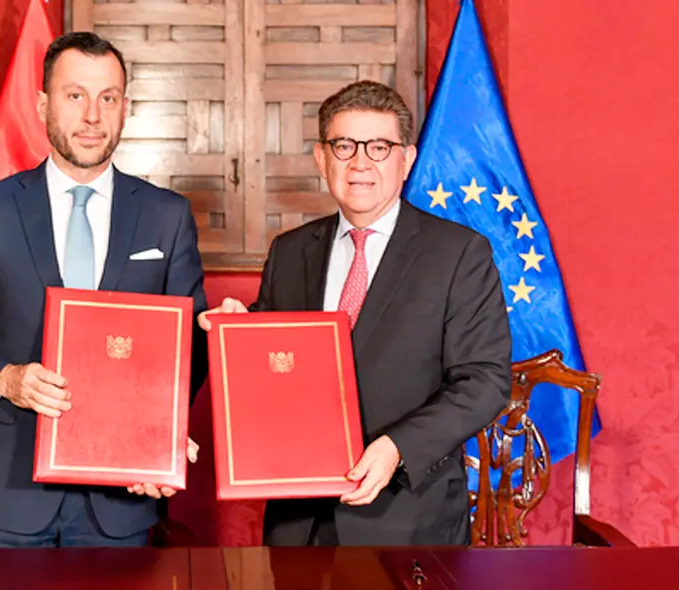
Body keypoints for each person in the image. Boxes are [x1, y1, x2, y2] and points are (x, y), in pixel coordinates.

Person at [0, 32, 208, 548]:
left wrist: (156, 439)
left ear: (125, 109)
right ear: (43, 104)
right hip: (5, 497)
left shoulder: (167, 216)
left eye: (107, 98)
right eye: (75, 96)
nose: (92, 115)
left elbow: (188, 348)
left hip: (123, 500)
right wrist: (3, 377)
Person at [199, 81, 512, 546]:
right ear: (321, 159)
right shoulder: (290, 252)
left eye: (379, 147)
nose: (360, 162)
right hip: (297, 521)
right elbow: (273, 359)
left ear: (406, 160)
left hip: (406, 516)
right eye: (344, 146)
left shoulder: (458, 253)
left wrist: (396, 449)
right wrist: (236, 330)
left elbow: (485, 381)